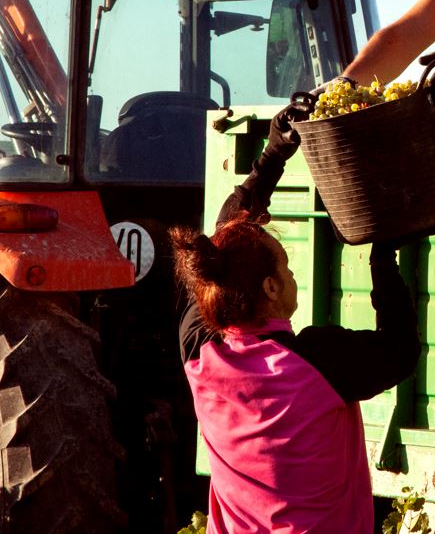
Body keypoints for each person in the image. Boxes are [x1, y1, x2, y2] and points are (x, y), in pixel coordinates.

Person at [172, 113, 418, 534]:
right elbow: (401, 351)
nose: (293, 276)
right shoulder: (321, 362)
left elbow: (221, 247)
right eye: (286, 267)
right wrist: (383, 257)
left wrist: (272, 156)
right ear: (270, 287)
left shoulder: (199, 355)